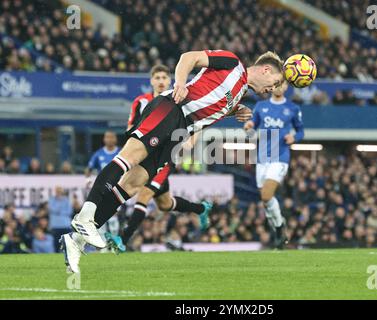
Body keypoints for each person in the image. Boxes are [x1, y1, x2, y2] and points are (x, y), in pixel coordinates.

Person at [62, 49, 283, 273]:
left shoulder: (239, 93)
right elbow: (189, 57)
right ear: (266, 69)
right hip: (171, 109)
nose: (272, 89)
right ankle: (86, 216)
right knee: (128, 158)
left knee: (133, 183)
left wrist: (234, 111)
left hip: (180, 132)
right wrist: (180, 83)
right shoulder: (233, 63)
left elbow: (208, 104)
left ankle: (76, 241)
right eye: (274, 83)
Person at [106, 65, 214, 252]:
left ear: (170, 80)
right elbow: (130, 128)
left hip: (166, 156)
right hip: (145, 155)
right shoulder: (141, 102)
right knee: (165, 204)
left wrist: (191, 142)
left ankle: (123, 239)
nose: (161, 81)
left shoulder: (178, 100)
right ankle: (200, 209)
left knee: (144, 194)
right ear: (151, 81)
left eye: (164, 77)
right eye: (157, 77)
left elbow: (198, 122)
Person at [244, 80, 304, 249]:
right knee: (265, 201)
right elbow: (252, 127)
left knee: (266, 195)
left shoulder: (293, 109)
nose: (279, 87)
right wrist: (248, 126)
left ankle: (279, 227)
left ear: (286, 87)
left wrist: (294, 138)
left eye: (282, 84)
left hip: (280, 156)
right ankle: (278, 228)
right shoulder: (260, 106)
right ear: (271, 86)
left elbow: (301, 131)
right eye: (276, 84)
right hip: (262, 157)